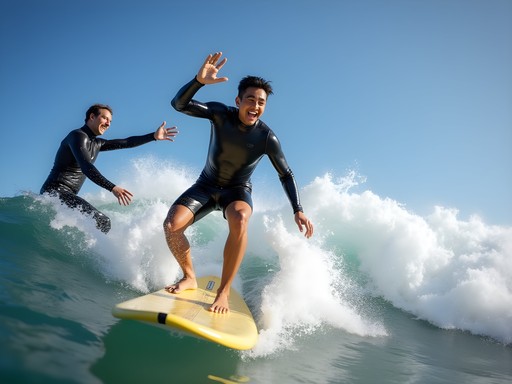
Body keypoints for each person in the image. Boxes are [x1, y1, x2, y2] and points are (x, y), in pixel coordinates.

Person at [164, 52, 314, 314]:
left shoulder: (267, 137)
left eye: (261, 102)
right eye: (250, 99)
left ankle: (223, 292)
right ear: (238, 100)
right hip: (206, 185)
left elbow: (285, 173)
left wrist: (297, 209)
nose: (255, 106)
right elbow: (179, 105)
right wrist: (198, 81)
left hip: (237, 191)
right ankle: (189, 276)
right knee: (171, 226)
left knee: (240, 218)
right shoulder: (221, 114)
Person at [41, 103, 178, 233]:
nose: (108, 123)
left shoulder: (97, 143)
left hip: (66, 194)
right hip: (56, 191)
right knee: (103, 221)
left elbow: (126, 142)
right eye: (105, 118)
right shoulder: (77, 136)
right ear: (92, 117)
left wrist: (153, 136)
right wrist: (112, 187)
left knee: (88, 225)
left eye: (110, 121)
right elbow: (86, 167)